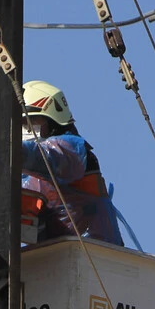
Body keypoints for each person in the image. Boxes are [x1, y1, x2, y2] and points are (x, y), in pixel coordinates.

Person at [16, 80, 123, 245]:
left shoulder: (71, 149)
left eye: (29, 123)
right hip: (55, 255)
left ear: (51, 121)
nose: (25, 130)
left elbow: (45, 156)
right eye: (20, 125)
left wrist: (9, 149)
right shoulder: (32, 176)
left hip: (95, 251)